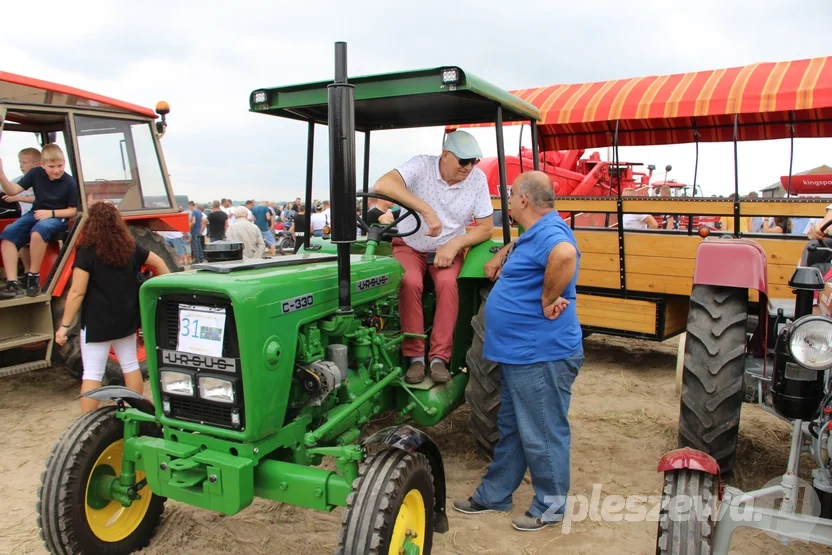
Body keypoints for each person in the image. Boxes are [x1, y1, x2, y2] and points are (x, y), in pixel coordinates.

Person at [453, 171, 582, 532]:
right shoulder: (536, 232)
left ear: (524, 199)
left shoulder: (553, 234)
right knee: (512, 427)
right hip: (518, 354)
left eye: (510, 195)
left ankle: (551, 506)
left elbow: (564, 252)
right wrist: (501, 256)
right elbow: (532, 246)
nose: (507, 200)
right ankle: (495, 494)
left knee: (542, 430)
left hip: (540, 354)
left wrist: (548, 298)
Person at [373, 129, 494, 384]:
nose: (469, 167)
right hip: (410, 244)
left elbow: (485, 227)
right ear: (446, 155)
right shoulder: (421, 165)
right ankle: (415, 357)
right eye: (464, 161)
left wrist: (455, 244)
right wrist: (425, 209)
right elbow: (383, 185)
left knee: (449, 284)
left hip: (448, 248)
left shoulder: (477, 179)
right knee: (409, 282)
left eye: (474, 161)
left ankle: (439, 358)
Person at [54, 202, 170, 413]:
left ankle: (86, 424)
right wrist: (162, 290)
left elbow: (77, 292)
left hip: (97, 322)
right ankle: (138, 412)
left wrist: (64, 326)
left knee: (92, 373)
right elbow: (160, 263)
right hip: (125, 320)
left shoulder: (87, 251)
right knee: (130, 365)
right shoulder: (130, 247)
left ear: (91, 224)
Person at [0, 144, 79, 298]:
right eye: (51, 166)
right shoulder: (35, 174)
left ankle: (33, 276)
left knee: (38, 231)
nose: (56, 170)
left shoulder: (69, 182)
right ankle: (12, 283)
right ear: (42, 165)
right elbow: (12, 191)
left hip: (57, 216)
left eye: (60, 166)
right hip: (36, 213)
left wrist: (51, 213)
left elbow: (73, 210)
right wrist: (1, 174)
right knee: (8, 233)